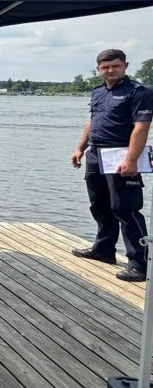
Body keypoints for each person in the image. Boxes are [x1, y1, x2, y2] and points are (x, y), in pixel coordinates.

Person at [70, 48, 152, 282]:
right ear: (98, 69)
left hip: (121, 155)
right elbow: (92, 121)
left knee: (125, 209)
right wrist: (80, 148)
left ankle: (140, 264)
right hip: (96, 154)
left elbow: (141, 127)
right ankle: (104, 249)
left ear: (125, 66)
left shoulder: (139, 92)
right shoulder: (98, 92)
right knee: (99, 205)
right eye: (105, 67)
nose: (110, 70)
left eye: (115, 66)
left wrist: (131, 160)